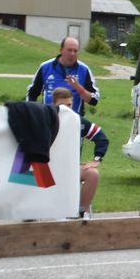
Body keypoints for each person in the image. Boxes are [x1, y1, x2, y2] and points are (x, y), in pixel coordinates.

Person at [50, 87, 108, 217]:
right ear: (53, 104)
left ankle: (79, 213)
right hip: (46, 167)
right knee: (23, 170)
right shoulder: (44, 119)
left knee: (92, 174)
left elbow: (101, 138)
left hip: (70, 168)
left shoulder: (78, 121)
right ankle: (30, 213)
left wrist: (97, 159)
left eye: (69, 105)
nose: (66, 109)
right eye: (62, 106)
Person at [27, 36, 100, 115]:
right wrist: (32, 114)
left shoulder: (84, 70)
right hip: (49, 118)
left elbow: (94, 100)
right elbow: (32, 93)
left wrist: (79, 88)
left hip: (74, 119)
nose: (72, 54)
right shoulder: (45, 67)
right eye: (69, 50)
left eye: (75, 51)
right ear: (61, 50)